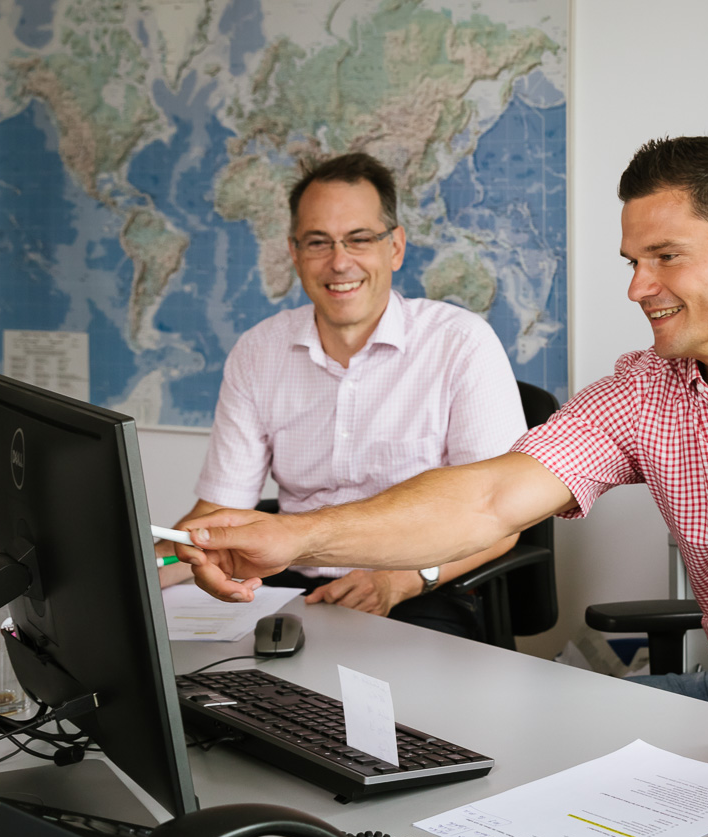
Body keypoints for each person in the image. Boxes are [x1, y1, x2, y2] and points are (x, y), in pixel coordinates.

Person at [178, 135, 708, 715]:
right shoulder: (647, 390)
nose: (638, 287)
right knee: (529, 782)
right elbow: (486, 499)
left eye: (666, 257)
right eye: (633, 261)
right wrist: (293, 537)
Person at [158, 152, 525, 639]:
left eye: (359, 239)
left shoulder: (461, 343)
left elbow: (502, 516)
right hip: (290, 587)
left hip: (423, 589)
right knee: (201, 691)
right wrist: (145, 564)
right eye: (318, 242)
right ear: (294, 253)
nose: (339, 262)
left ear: (394, 247)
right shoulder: (258, 352)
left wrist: (400, 579)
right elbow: (214, 514)